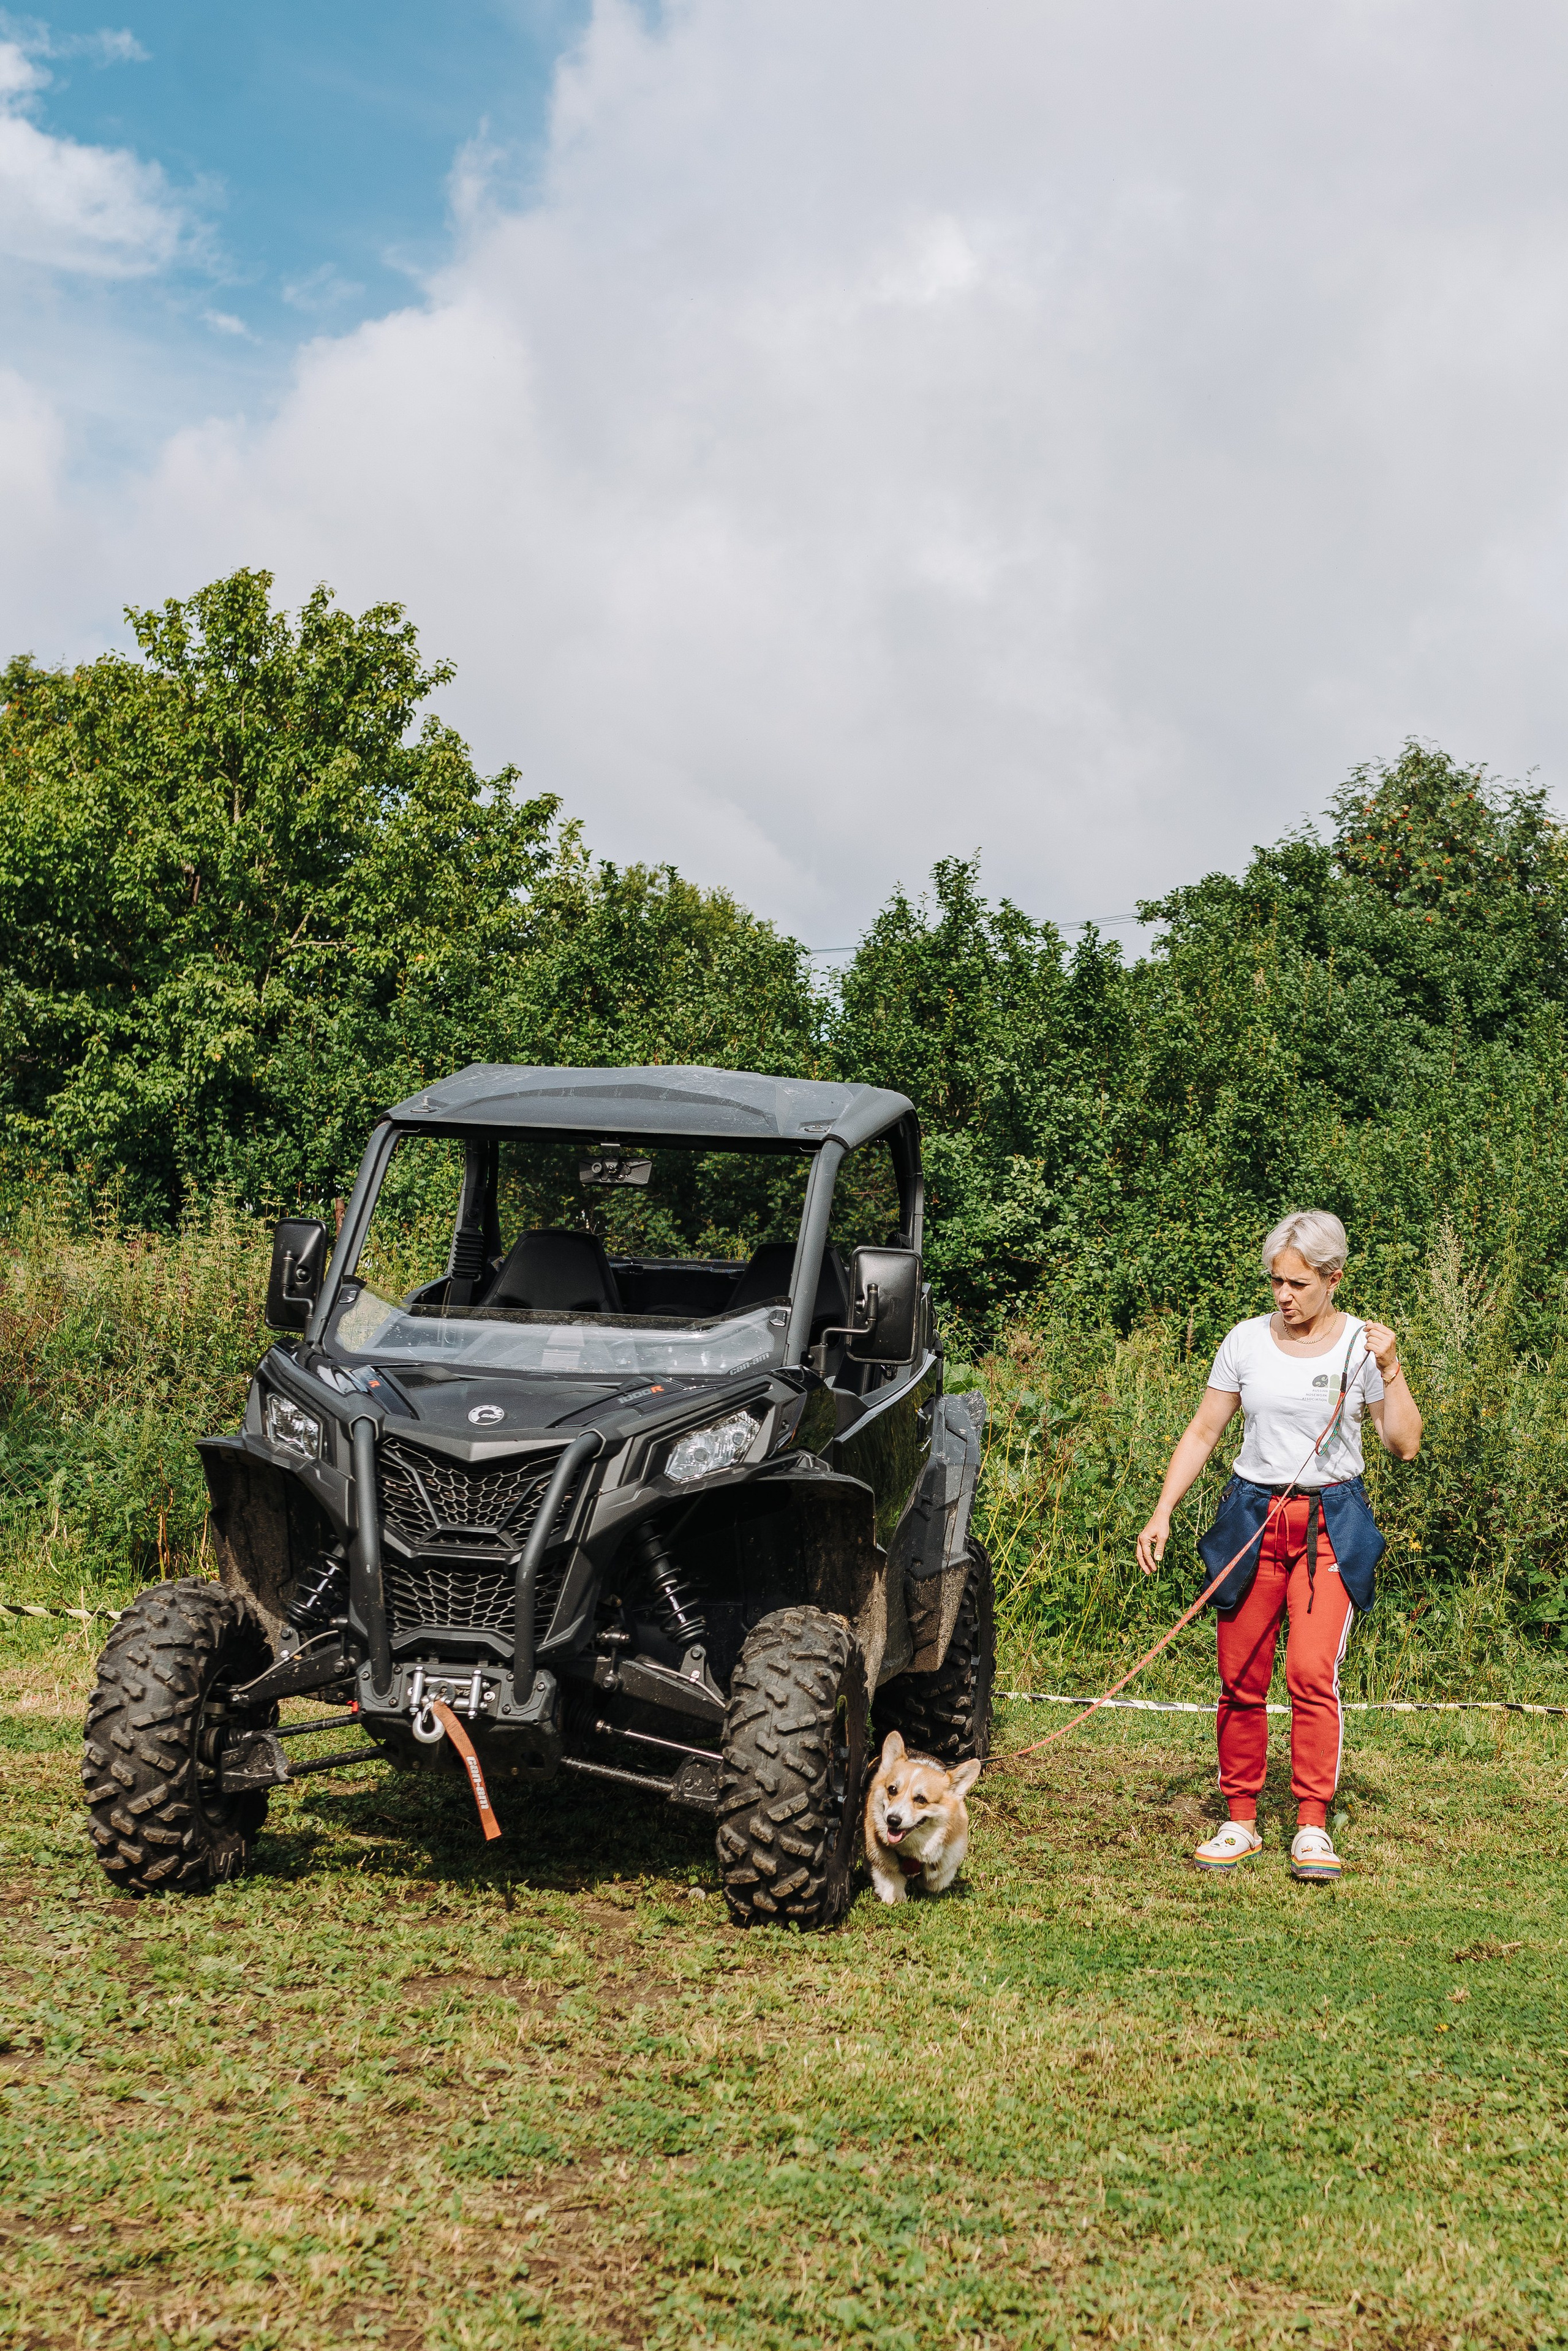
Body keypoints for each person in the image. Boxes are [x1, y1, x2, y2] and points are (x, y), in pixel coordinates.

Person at [1136, 1210, 1422, 1883]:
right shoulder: (1243, 1341)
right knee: (1240, 1677)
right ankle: (1239, 1818)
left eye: (1297, 1283)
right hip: (1251, 1515)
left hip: (1330, 1520)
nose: (1283, 1296)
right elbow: (1205, 1431)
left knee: (1309, 1674)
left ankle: (1312, 1826)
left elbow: (1403, 1444)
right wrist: (1162, 1511)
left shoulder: (1361, 1346)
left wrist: (1393, 1366)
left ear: (1333, 1278)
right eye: (1275, 1282)